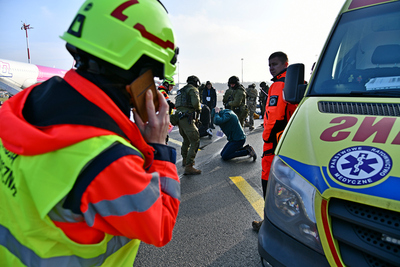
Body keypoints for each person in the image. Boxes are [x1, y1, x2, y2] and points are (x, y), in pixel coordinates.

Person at [0, 1, 181, 266]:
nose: (153, 85)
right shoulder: (107, 158)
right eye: (153, 75)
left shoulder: (24, 102)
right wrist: (159, 147)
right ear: (139, 67)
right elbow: (160, 225)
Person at [252, 51, 298, 232]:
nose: (271, 68)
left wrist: (267, 140)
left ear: (286, 64)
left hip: (275, 142)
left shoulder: (279, 85)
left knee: (269, 181)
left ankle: (270, 221)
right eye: (269, 65)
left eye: (275, 64)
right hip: (290, 139)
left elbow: (274, 117)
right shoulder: (296, 82)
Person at [175, 75, 202, 175]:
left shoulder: (181, 90)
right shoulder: (193, 89)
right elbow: (196, 104)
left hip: (179, 117)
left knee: (186, 140)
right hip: (187, 118)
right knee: (195, 140)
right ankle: (189, 166)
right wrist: (199, 110)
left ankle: (185, 160)